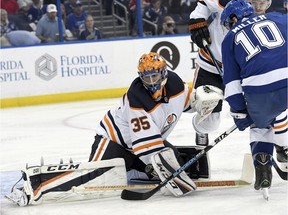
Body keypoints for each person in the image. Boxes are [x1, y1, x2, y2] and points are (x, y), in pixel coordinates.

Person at [5, 52, 223, 206]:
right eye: (145, 77)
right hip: (112, 143)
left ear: (164, 73)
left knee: (174, 160)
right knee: (94, 178)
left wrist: (202, 102)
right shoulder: (137, 98)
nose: (150, 81)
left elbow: (188, 103)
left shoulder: (176, 85)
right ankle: (35, 185)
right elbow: (146, 148)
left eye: (154, 76)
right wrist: (171, 174)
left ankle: (135, 172)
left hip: (140, 145)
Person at [220, 0, 287, 191]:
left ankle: (263, 166)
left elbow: (232, 86)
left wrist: (240, 112)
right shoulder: (279, 18)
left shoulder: (229, 38)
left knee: (260, 126)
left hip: (260, 91)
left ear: (233, 18)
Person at [248, 0, 288, 166]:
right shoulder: (238, 23)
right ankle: (275, 150)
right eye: (254, 2)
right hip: (252, 80)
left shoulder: (276, 19)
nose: (258, 6)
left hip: (273, 77)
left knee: (278, 113)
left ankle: (281, 147)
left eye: (262, 2)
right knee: (268, 115)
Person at [188, 0, 231, 147]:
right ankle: (201, 129)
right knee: (210, 122)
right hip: (211, 65)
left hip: (243, 70)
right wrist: (198, 20)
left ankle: (272, 146)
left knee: (261, 110)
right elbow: (204, 4)